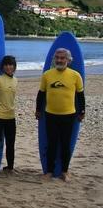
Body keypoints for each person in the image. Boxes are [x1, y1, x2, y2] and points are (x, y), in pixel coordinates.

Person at [35, 48, 85, 181]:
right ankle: (49, 172)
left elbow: (80, 96)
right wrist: (38, 110)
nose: (59, 60)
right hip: (50, 114)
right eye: (57, 58)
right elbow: (41, 94)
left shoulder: (75, 76)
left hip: (69, 115)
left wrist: (82, 111)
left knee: (65, 144)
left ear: (68, 60)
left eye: (62, 58)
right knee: (51, 143)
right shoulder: (47, 75)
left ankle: (65, 171)